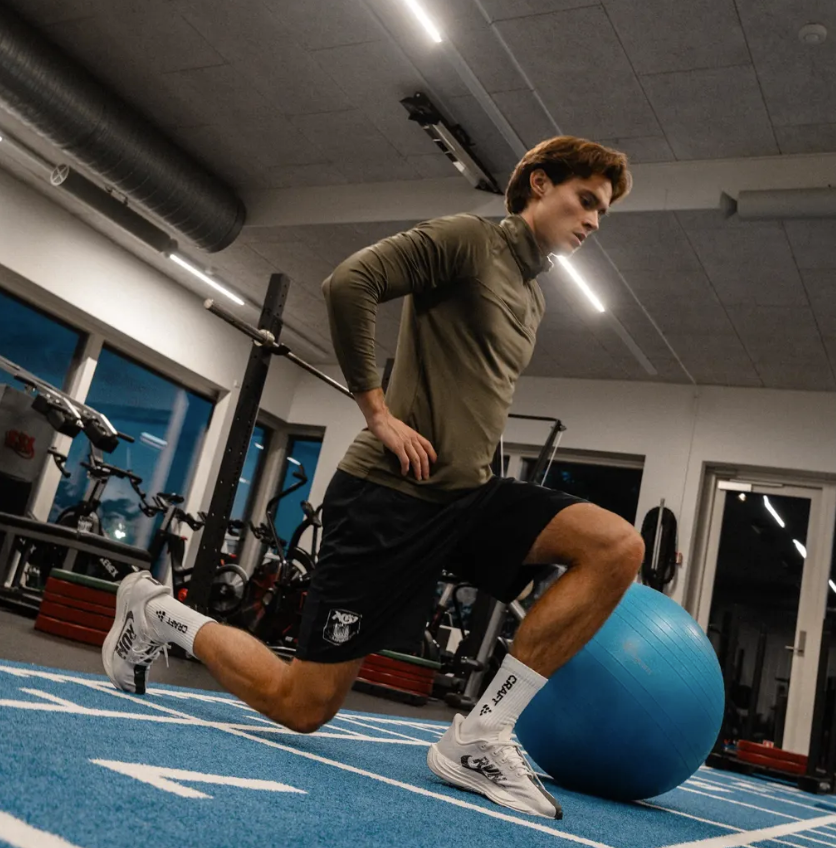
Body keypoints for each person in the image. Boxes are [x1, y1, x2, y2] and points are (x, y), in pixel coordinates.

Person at [102, 135, 645, 820]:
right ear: (540, 183)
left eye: (603, 211)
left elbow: (471, 395)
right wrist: (378, 412)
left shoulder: (532, 300)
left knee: (615, 545)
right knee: (304, 706)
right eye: (586, 201)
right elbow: (350, 283)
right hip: (389, 497)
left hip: (467, 497)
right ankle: (158, 612)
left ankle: (480, 735)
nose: (594, 221)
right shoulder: (468, 241)